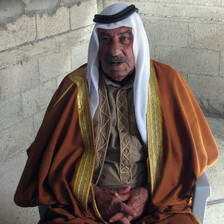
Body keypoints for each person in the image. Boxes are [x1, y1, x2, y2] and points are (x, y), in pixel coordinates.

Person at [14, 3, 218, 224]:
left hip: (156, 203)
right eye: (105, 40)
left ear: (137, 41)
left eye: (124, 39)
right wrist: (96, 196)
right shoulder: (74, 89)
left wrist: (147, 194)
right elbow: (52, 166)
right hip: (85, 206)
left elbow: (189, 158)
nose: (114, 51)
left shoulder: (168, 82)